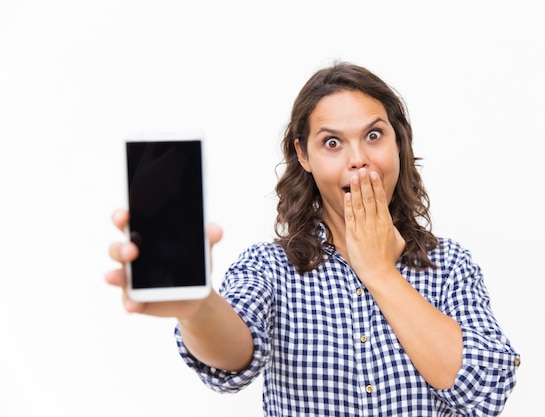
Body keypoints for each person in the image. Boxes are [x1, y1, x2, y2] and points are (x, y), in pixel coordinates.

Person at [106, 62, 520, 416]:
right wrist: (198, 309)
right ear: (303, 155)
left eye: (374, 135)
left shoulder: (449, 266)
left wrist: (379, 271)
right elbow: (234, 359)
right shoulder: (270, 268)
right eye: (333, 143)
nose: (358, 158)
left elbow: (484, 392)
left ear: (399, 143)